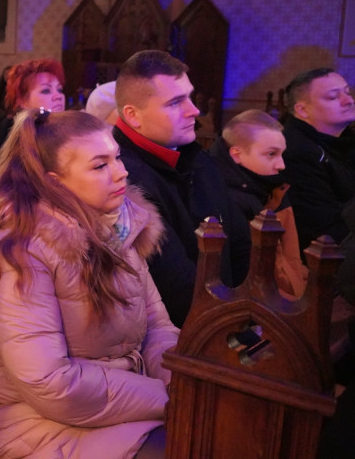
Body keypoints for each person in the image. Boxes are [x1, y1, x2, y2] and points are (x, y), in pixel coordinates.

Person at [0, 109, 179, 459]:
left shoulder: (117, 227)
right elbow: (49, 383)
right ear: (54, 182)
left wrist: (181, 385)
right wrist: (168, 399)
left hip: (114, 408)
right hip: (29, 426)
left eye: (117, 157)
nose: (122, 172)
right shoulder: (18, 250)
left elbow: (158, 327)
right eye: (99, 165)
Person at [113, 50, 250, 327]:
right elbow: (175, 285)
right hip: (183, 335)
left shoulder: (196, 157)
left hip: (229, 316)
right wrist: (230, 327)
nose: (194, 110)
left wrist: (246, 312)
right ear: (133, 116)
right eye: (176, 102)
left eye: (189, 96)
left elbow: (240, 242)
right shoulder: (122, 178)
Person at [209, 109, 307, 299]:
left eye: (281, 154)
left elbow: (290, 259)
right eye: (271, 154)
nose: (281, 165)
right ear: (236, 154)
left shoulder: (270, 190)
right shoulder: (230, 199)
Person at [280, 67, 355, 254]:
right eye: (333, 97)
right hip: (327, 259)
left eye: (347, 92)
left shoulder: (344, 141)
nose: (349, 100)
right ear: (302, 110)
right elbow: (326, 229)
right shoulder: (295, 152)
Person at [0, 58, 67, 146]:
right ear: (22, 101)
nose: (58, 96)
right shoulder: (15, 134)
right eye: (46, 91)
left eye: (59, 90)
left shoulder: (68, 129)